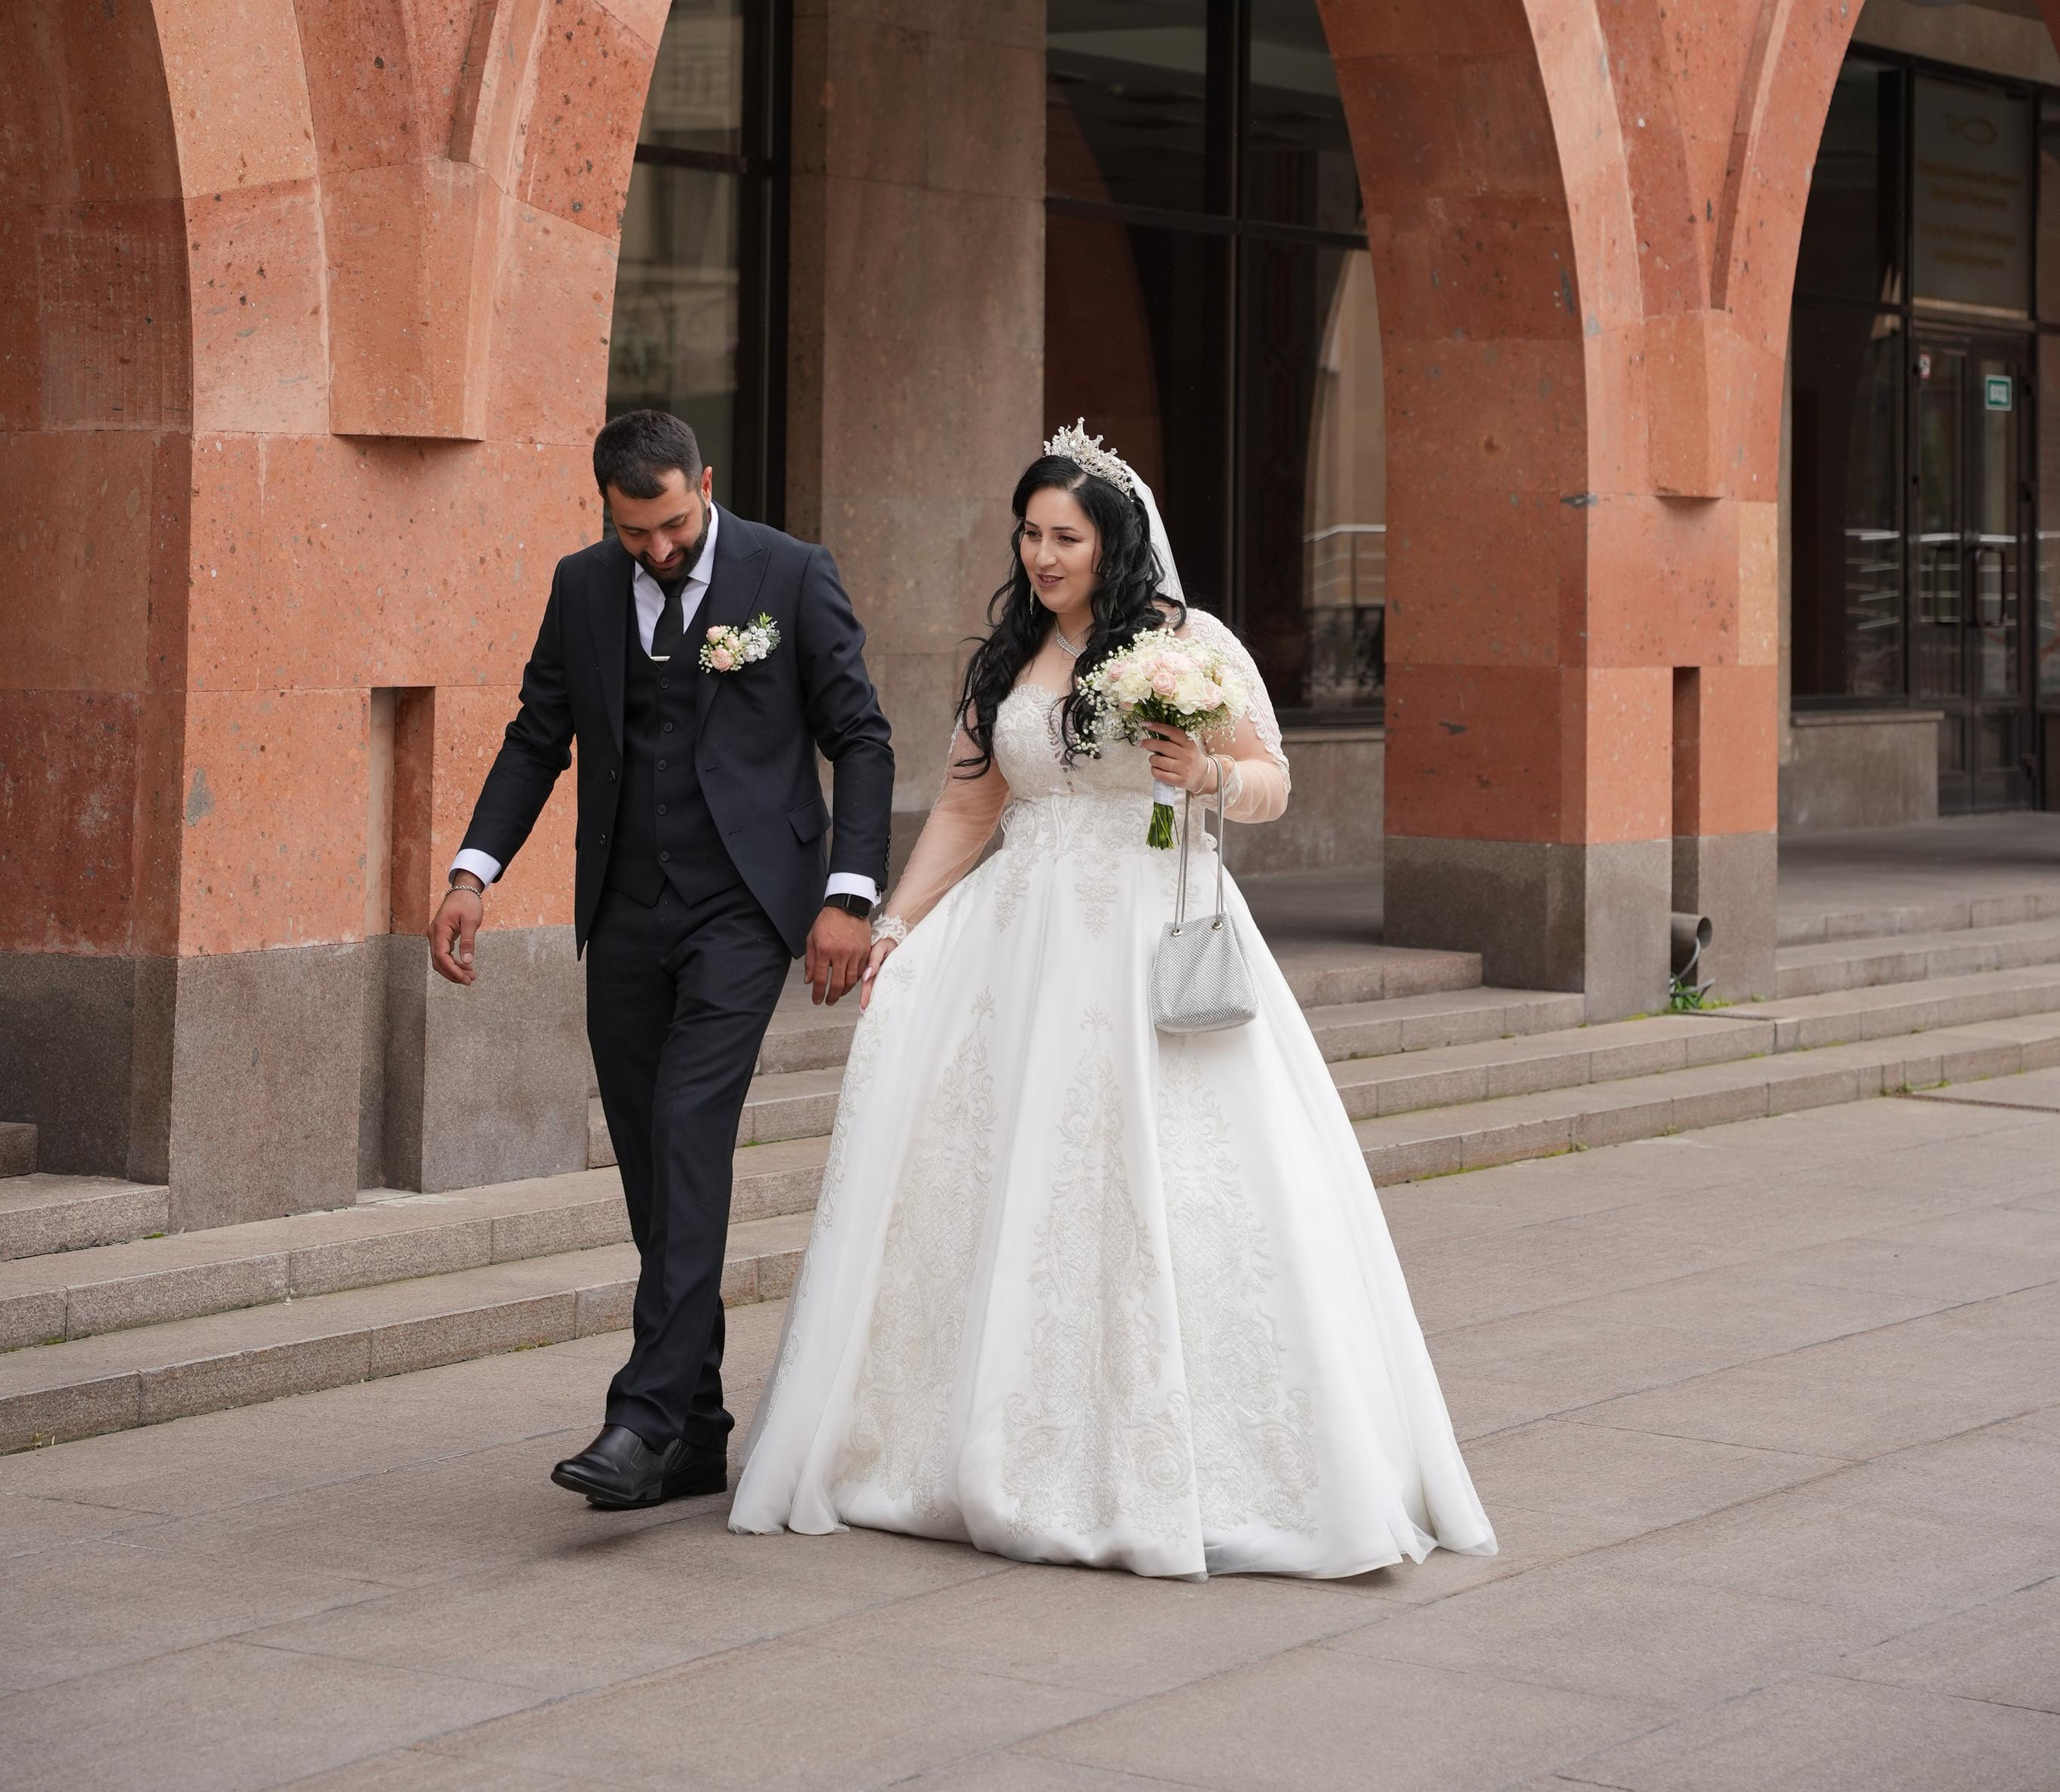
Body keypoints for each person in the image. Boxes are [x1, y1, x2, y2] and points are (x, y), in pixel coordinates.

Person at [731, 425, 1496, 1580]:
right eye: (1030, 535)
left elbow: (1275, 785)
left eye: (1065, 537)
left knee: (1174, 1182)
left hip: (1149, 933)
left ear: (1113, 541)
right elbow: (967, 810)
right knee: (1004, 1180)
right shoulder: (1011, 660)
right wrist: (895, 924)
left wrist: (1211, 777)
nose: (1042, 556)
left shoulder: (1190, 647)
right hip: (1020, 948)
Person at [428, 408, 892, 1512]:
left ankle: (643, 1414)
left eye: (674, 524)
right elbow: (540, 735)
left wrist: (849, 894)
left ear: (705, 483)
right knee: (650, 1157)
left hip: (744, 906)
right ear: (608, 511)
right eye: (637, 533)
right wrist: (473, 872)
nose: (660, 551)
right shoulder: (584, 586)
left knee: (689, 1126)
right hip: (626, 910)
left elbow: (859, 736)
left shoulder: (791, 572)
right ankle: (699, 1428)